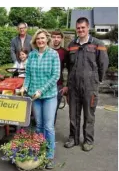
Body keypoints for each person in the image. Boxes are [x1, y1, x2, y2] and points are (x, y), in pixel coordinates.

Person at [63, 17, 109, 151]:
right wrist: (68, 83)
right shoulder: (71, 45)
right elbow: (68, 65)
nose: (80, 30)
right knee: (73, 115)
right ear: (76, 29)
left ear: (88, 28)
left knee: (89, 115)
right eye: (78, 28)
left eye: (83, 27)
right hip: (73, 87)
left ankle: (88, 140)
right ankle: (73, 138)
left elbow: (103, 64)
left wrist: (96, 81)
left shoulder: (97, 43)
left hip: (90, 87)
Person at [20, 29, 60, 169]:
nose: (40, 41)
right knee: (39, 125)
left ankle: (49, 156)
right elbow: (28, 75)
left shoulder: (53, 54)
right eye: (38, 39)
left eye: (42, 38)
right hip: (34, 96)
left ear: (47, 39)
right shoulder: (31, 55)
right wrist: (24, 87)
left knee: (48, 126)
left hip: (48, 96)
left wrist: (41, 90)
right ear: (35, 41)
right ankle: (39, 150)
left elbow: (55, 76)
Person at [50, 30, 68, 125]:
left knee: (53, 111)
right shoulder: (45, 50)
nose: (56, 39)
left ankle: (49, 133)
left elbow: (68, 70)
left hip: (58, 85)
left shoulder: (64, 52)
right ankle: (41, 135)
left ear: (61, 39)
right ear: (50, 38)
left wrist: (66, 86)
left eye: (58, 37)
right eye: (54, 37)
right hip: (44, 85)